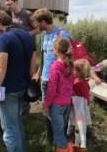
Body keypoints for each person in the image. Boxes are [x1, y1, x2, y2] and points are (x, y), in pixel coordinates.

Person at [0, 10, 37, 152]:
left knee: (9, 128)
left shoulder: (4, 38)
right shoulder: (28, 36)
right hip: (23, 86)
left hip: (8, 88)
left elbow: (1, 67)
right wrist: (30, 82)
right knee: (17, 121)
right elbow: (33, 64)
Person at [33, 8, 71, 145]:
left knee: (60, 111)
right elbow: (43, 56)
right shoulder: (43, 36)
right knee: (46, 108)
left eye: (37, 23)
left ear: (43, 22)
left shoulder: (61, 34)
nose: (35, 26)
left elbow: (68, 56)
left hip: (59, 80)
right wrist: (38, 73)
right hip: (45, 79)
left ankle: (61, 139)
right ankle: (50, 138)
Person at [5, 0, 38, 116]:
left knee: (28, 74)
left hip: (28, 48)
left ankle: (26, 102)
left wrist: (27, 35)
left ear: (16, 2)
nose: (8, 6)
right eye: (7, 4)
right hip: (14, 49)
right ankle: (16, 103)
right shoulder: (8, 15)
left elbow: (38, 29)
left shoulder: (27, 14)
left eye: (10, 4)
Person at [43, 37, 74, 152]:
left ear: (56, 50)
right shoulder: (70, 65)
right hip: (67, 103)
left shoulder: (55, 66)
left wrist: (46, 105)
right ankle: (65, 148)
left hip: (57, 105)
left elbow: (51, 90)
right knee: (62, 130)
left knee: (59, 132)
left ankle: (62, 149)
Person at [67, 59, 92, 152]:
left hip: (77, 113)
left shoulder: (79, 84)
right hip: (78, 111)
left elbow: (84, 100)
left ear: (78, 72)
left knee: (74, 131)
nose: (72, 71)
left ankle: (76, 148)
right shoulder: (80, 81)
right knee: (77, 131)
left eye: (73, 69)